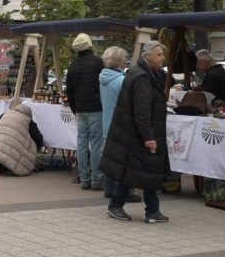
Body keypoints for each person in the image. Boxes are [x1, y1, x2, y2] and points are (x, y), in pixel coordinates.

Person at [100, 41, 170, 223]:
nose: (163, 58)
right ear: (148, 57)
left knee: (138, 170)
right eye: (159, 55)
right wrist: (148, 137)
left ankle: (143, 209)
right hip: (139, 133)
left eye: (163, 54)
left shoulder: (142, 73)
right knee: (142, 169)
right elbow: (142, 110)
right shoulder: (142, 78)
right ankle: (146, 210)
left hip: (133, 132)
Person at [99, 46, 141, 203]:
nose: (126, 61)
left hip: (106, 122)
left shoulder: (103, 78)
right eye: (124, 59)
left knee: (110, 158)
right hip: (121, 125)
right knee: (125, 160)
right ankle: (126, 192)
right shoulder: (122, 80)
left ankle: (109, 189)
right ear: (120, 61)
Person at [66, 33, 105, 191]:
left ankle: (84, 179)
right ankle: (96, 179)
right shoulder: (98, 62)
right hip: (96, 108)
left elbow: (69, 90)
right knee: (96, 144)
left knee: (81, 143)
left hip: (80, 109)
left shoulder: (73, 65)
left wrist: (75, 108)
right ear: (89, 46)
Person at [0, 104, 43, 176]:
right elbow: (38, 138)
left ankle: (2, 164)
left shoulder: (5, 113)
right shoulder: (27, 119)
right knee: (19, 144)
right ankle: (9, 165)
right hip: (10, 147)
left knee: (9, 143)